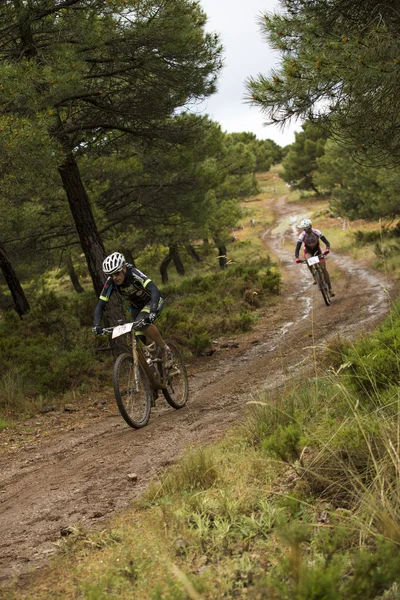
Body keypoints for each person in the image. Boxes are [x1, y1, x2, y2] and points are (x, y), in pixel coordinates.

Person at [92, 252, 173, 364]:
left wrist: (153, 310)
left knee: (142, 322)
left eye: (116, 273)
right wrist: (97, 325)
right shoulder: (111, 283)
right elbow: (101, 304)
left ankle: (165, 348)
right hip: (136, 307)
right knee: (137, 336)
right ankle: (153, 368)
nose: (114, 277)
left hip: (153, 301)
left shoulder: (134, 273)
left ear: (124, 268)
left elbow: (154, 289)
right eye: (111, 275)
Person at [295, 219, 335, 297]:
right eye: (305, 229)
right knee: (308, 260)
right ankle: (314, 275)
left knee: (323, 268)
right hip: (308, 251)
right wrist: (297, 257)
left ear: (311, 227)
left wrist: (327, 249)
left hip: (317, 250)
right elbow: (297, 248)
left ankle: (330, 289)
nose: (306, 230)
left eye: (308, 228)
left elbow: (326, 242)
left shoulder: (316, 232)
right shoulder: (302, 236)